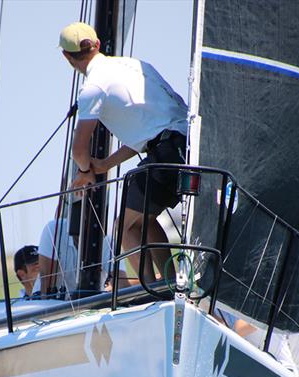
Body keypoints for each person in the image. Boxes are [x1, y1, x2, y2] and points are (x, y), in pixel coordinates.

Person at [59, 22, 188, 283]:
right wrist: (106, 164)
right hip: (186, 144)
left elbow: (78, 149)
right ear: (96, 44)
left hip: (166, 152)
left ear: (66, 57)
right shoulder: (138, 65)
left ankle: (150, 291)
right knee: (143, 219)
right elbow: (153, 127)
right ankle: (170, 285)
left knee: (124, 226)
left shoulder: (93, 87)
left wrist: (86, 172)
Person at [37, 217, 128, 296]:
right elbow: (46, 287)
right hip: (52, 304)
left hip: (92, 306)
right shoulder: (54, 230)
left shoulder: (108, 241)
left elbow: (120, 284)